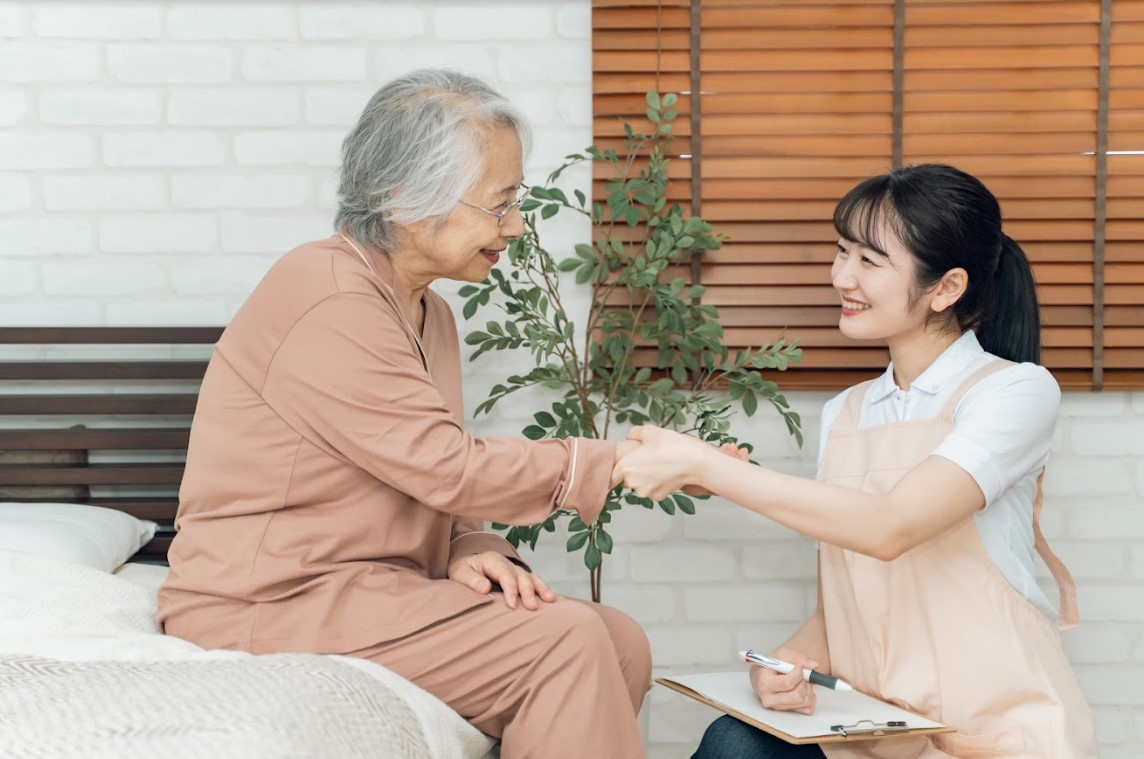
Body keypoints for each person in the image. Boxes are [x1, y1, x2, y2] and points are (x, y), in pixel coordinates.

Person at [157, 68, 651, 759]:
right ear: (402, 197)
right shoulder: (328, 296)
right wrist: (616, 461)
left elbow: (419, 459)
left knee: (619, 638)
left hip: (371, 588)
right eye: (499, 204)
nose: (514, 226)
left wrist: (469, 542)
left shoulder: (431, 311)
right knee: (562, 639)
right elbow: (446, 465)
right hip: (267, 601)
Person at [614, 163, 1097, 758]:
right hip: (877, 731)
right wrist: (788, 663)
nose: (842, 275)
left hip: (990, 732)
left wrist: (715, 470)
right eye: (842, 251)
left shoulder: (1015, 392)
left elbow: (890, 528)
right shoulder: (846, 412)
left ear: (945, 288)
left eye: (870, 261)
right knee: (733, 742)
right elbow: (855, 599)